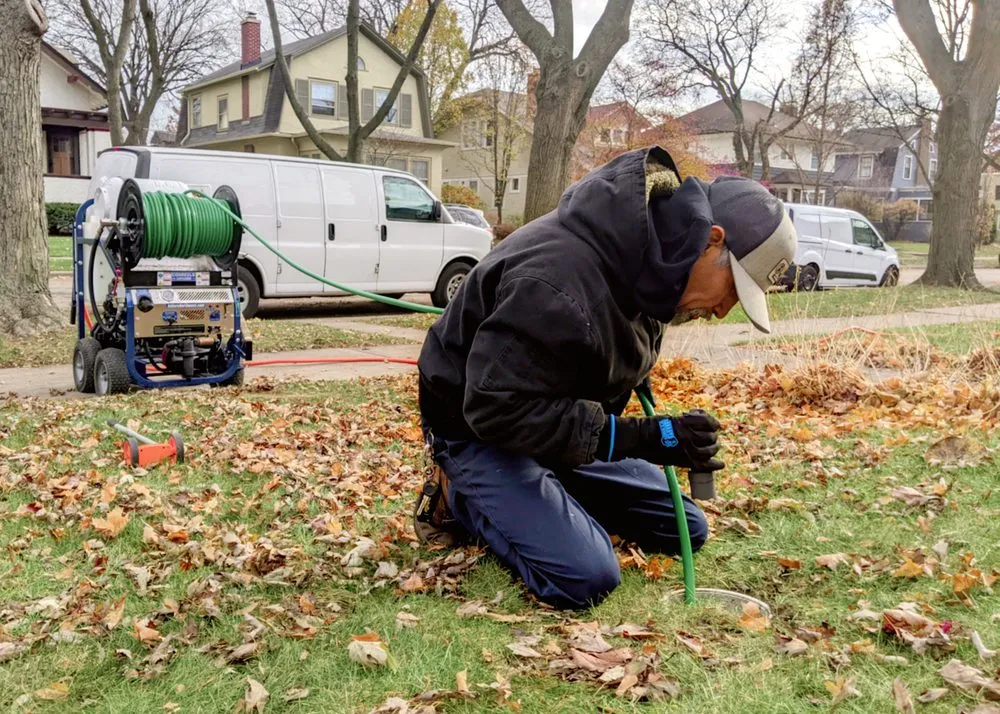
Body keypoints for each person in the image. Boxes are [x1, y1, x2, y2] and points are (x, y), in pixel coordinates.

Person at [414, 147, 796, 608]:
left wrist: (670, 436)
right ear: (712, 240)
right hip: (477, 430)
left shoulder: (655, 267)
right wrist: (639, 439)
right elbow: (494, 408)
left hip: (545, 429)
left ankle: (539, 493)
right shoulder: (556, 281)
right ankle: (462, 497)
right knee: (586, 577)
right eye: (733, 290)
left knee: (685, 529)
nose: (721, 311)